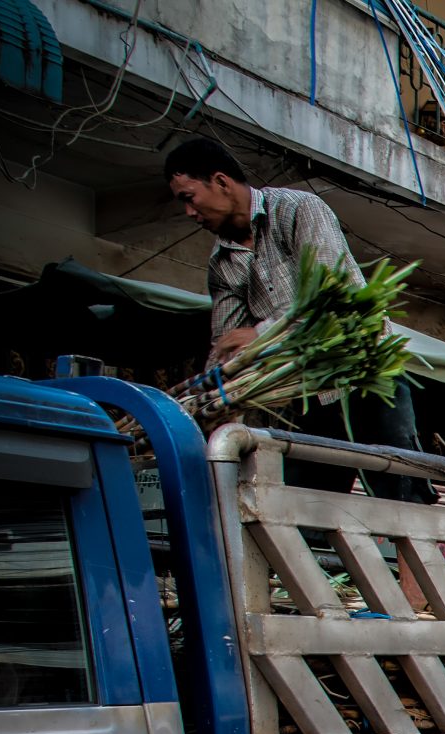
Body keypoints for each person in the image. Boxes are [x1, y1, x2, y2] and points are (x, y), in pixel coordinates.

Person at [164, 136, 431, 503]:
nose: (189, 213)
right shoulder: (221, 264)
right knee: (308, 502)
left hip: (365, 373)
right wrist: (208, 403)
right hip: (305, 391)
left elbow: (331, 296)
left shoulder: (296, 210)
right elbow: (226, 347)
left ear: (221, 182)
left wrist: (260, 334)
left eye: (189, 197)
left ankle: (408, 559)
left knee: (401, 491)